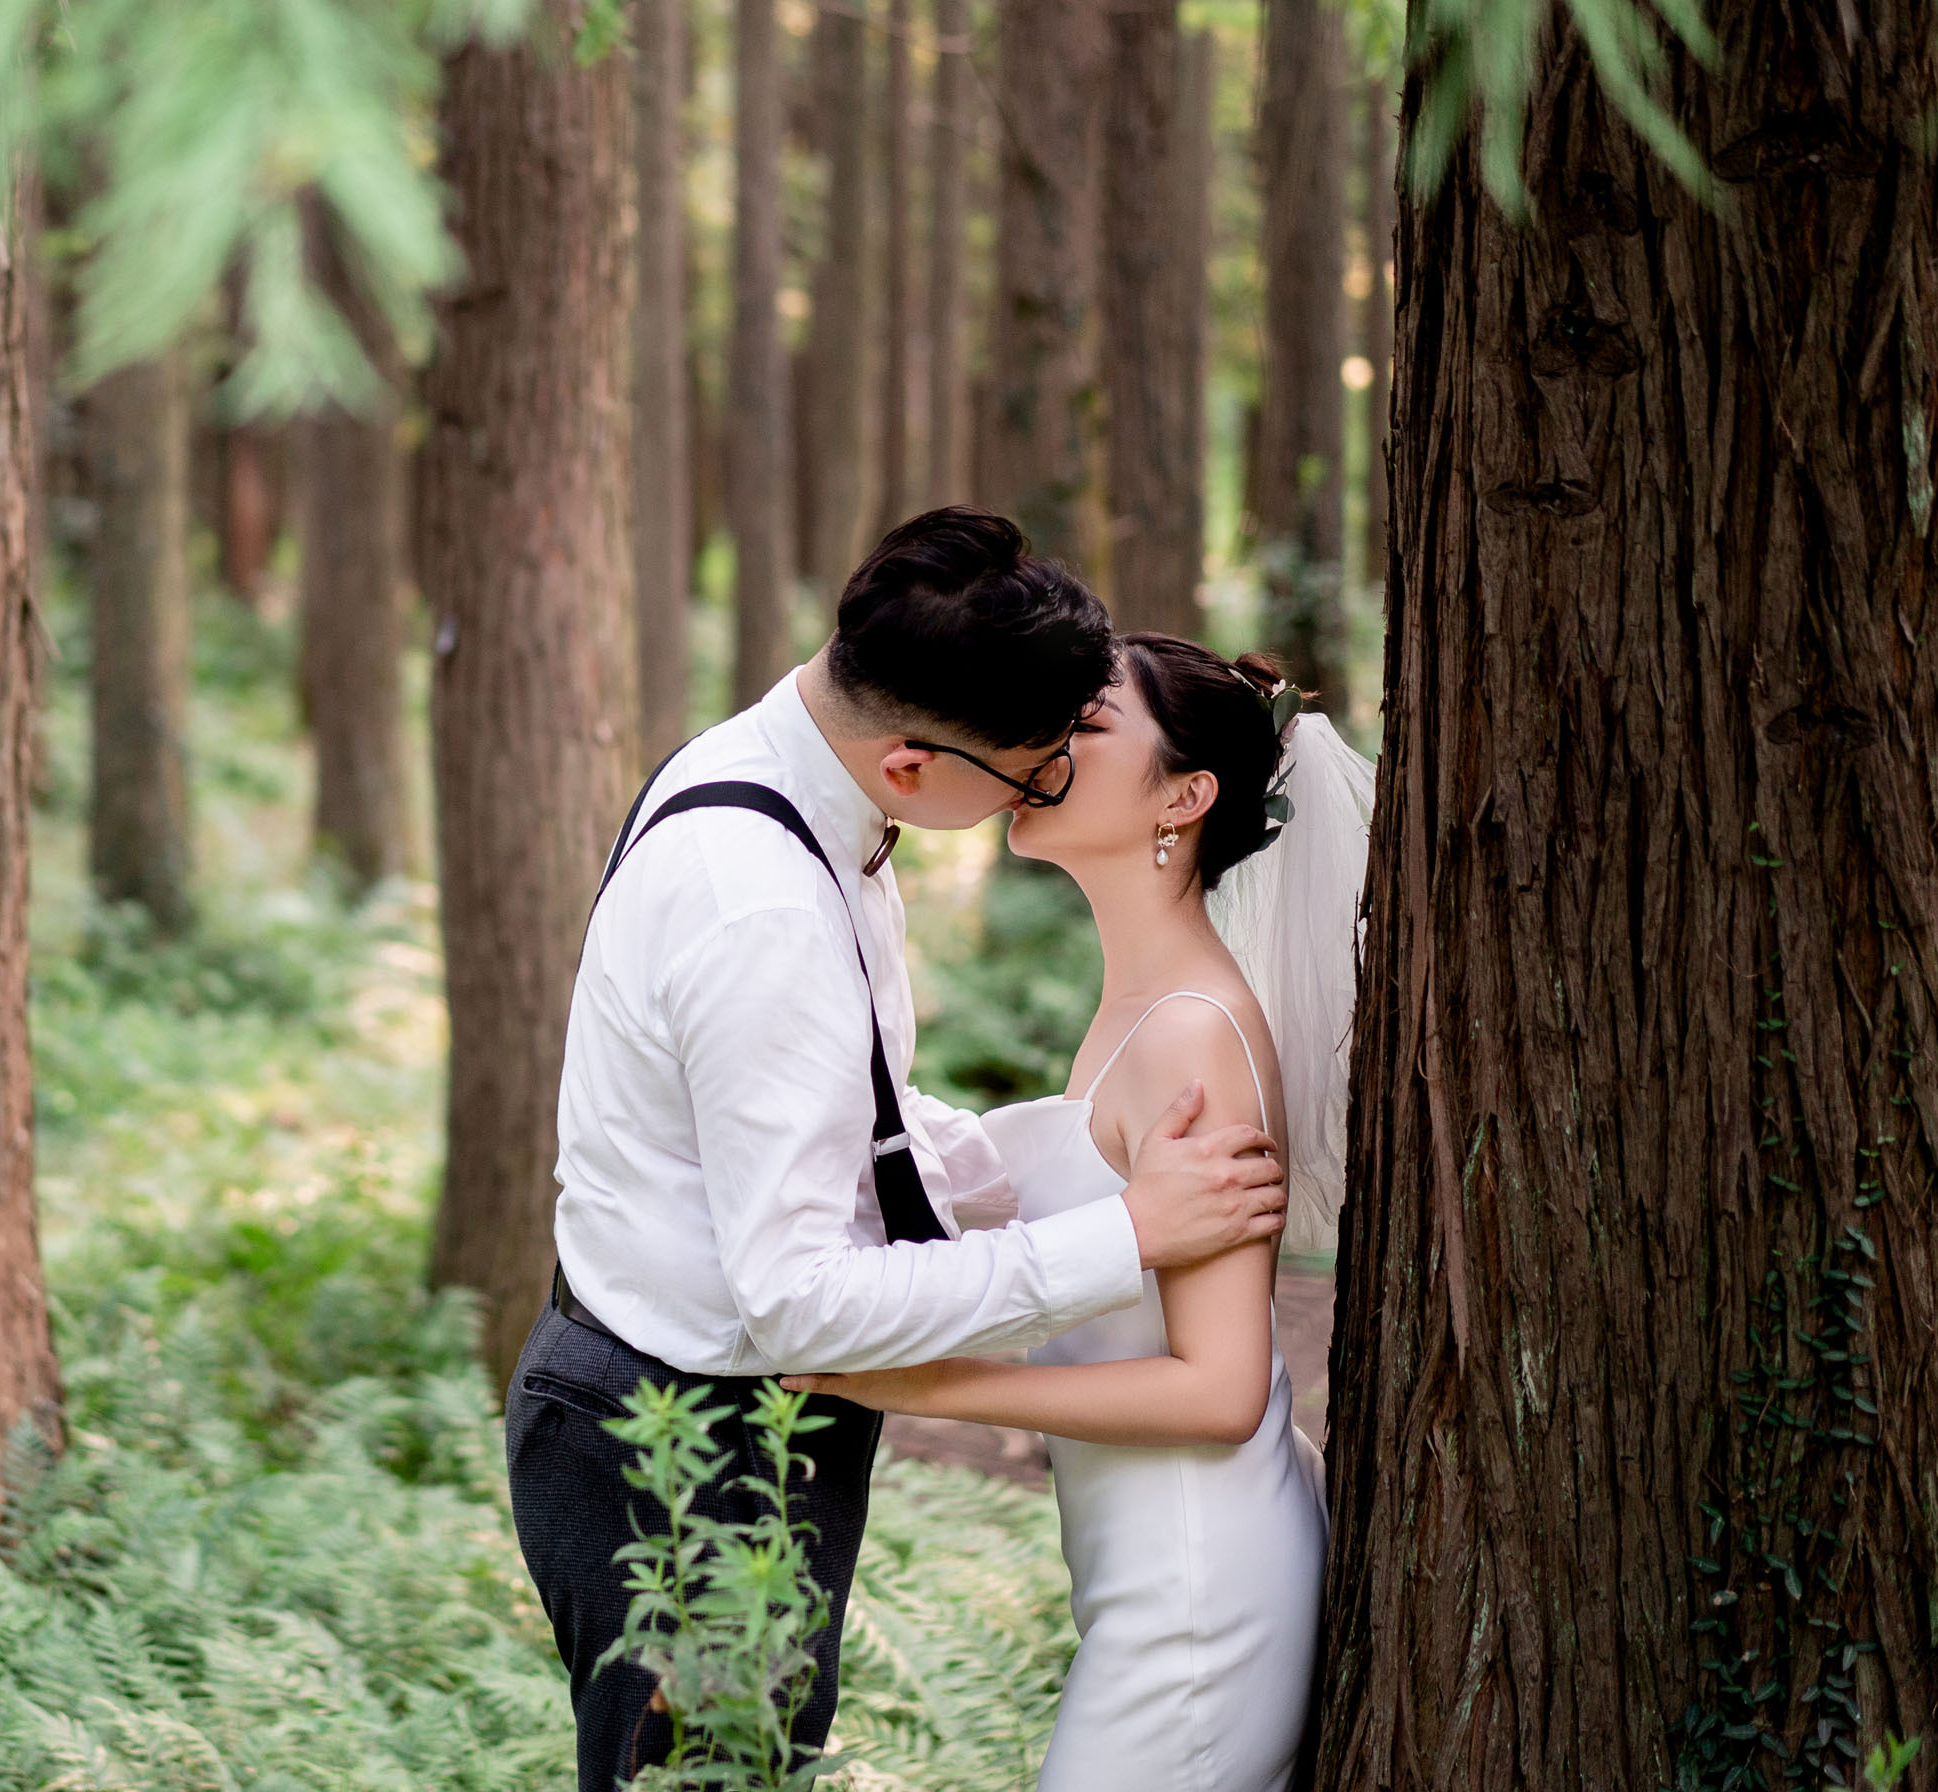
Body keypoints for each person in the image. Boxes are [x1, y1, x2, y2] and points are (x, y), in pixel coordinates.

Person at [505, 511, 1292, 1791]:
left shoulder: (800, 785)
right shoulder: (759, 904)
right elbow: (802, 1303)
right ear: (914, 764)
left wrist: (1061, 1167)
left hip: (739, 1410)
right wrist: (1123, 1233)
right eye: (1034, 771)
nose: (1044, 791)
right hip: (678, 1446)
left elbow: (855, 1118)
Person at [788, 632, 1375, 1791]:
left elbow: (1217, 1389)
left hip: (1201, 1598)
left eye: (1087, 726)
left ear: (1185, 796)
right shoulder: (1138, 1008)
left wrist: (929, 1384)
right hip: (1147, 1570)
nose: (1041, 747)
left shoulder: (1193, 1030)